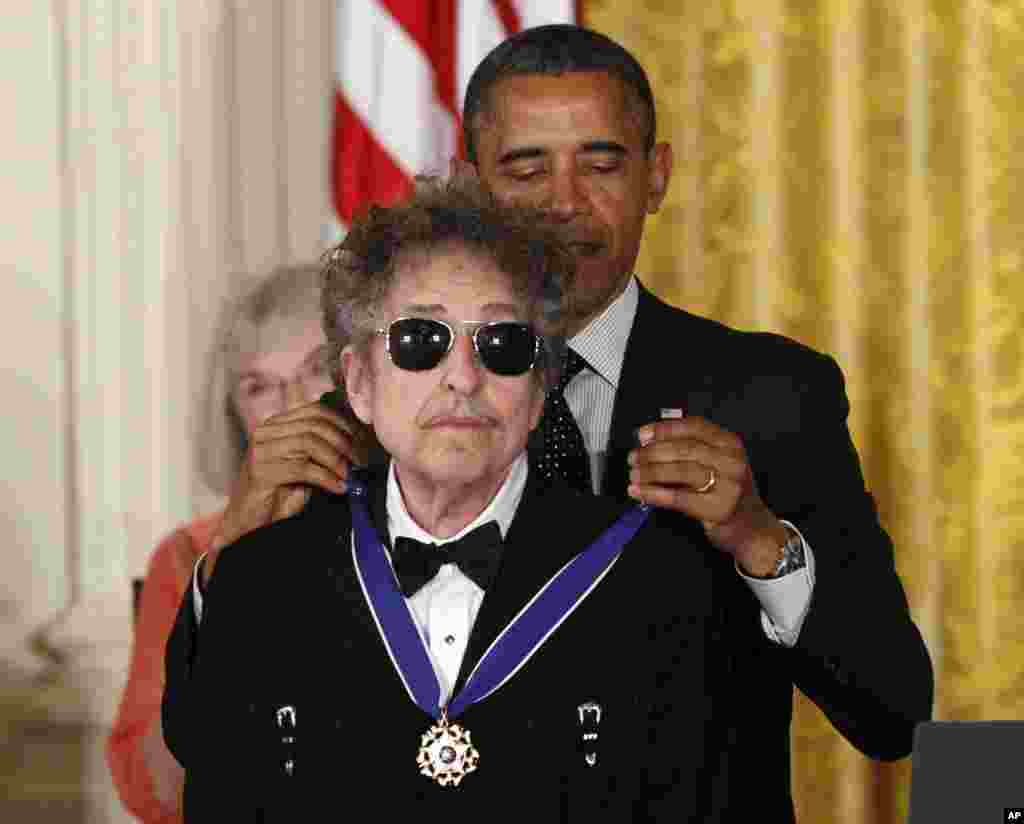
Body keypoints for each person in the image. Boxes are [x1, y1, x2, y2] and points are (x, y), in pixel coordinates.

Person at [200, 24, 933, 821]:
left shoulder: (770, 395)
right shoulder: (370, 419)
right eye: (526, 166)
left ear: (656, 175)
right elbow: (208, 737)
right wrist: (233, 545)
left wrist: (760, 540)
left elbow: (895, 711)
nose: (562, 202)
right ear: (470, 180)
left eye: (601, 162)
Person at [161, 178, 728, 821]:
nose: (462, 377)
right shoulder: (262, 583)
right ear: (359, 383)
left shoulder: (657, 581)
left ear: (541, 389)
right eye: (420, 341)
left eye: (502, 344)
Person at [107, 264, 357, 823]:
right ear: (235, 418)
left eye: (316, 369)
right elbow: (154, 791)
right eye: (258, 386)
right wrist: (233, 555)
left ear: (362, 375)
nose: (293, 402)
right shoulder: (186, 556)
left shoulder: (437, 519)